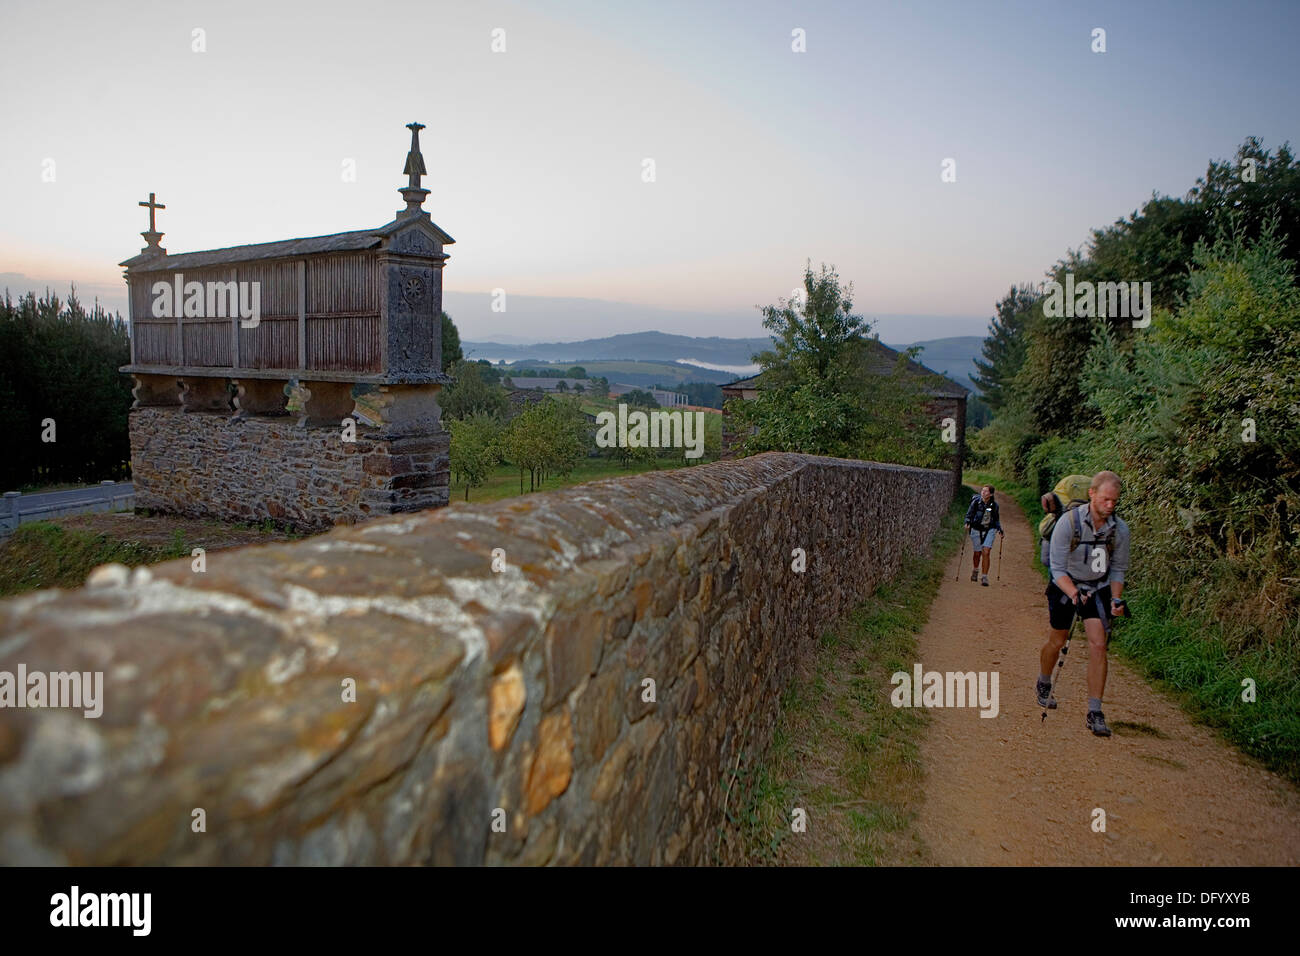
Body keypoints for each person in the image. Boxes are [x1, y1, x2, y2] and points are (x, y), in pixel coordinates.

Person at [1035, 471, 1130, 737]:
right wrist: (1074, 593)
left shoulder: (1119, 530)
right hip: (1066, 584)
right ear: (1092, 494)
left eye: (1114, 501)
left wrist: (1116, 599)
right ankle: (1044, 681)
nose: (1110, 505)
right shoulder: (1069, 523)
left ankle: (1095, 711)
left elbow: (1118, 570)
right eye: (1105, 499)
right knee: (1058, 639)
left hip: (1098, 587)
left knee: (1099, 645)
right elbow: (1057, 567)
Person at [963, 485, 1004, 586]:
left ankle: (984, 577)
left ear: (990, 494)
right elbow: (969, 514)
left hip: (989, 529)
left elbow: (996, 519)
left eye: (986, 491)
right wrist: (967, 522)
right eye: (982, 491)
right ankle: (975, 570)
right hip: (976, 529)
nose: (983, 493)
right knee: (977, 553)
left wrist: (999, 529)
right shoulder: (976, 502)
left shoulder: (994, 505)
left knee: (986, 551)